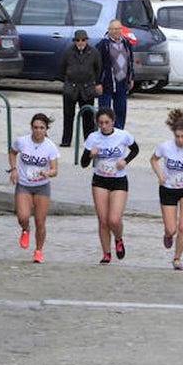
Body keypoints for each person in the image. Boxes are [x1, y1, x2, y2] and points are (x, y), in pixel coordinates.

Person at [80, 106, 139, 264]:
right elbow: (83, 163)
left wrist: (125, 161)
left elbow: (135, 150)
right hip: (100, 180)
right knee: (103, 220)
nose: (104, 126)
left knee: (114, 219)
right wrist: (91, 155)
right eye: (101, 123)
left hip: (118, 180)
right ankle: (106, 253)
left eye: (107, 122)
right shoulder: (93, 137)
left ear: (113, 122)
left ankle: (118, 239)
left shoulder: (123, 135)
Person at [150, 108, 183, 271]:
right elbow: (153, 160)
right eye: (177, 137)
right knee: (171, 229)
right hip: (168, 188)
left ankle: (177, 258)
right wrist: (160, 175)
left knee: (182, 226)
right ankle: (168, 235)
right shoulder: (165, 147)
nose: (180, 140)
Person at [9, 113, 60, 263]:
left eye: (41, 128)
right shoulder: (22, 141)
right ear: (31, 128)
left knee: (40, 221)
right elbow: (12, 152)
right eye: (35, 127)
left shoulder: (50, 147)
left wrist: (48, 173)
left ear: (46, 129)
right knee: (23, 216)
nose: (38, 131)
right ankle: (25, 229)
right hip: (24, 184)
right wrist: (13, 169)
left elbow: (55, 170)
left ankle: (38, 250)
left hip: (42, 186)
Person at [58, 29, 102, 147]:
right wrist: (67, 81)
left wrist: (95, 83)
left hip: (87, 88)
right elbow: (62, 69)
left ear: (87, 40)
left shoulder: (94, 52)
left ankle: (89, 140)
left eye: (83, 40)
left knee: (88, 116)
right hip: (71, 87)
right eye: (78, 40)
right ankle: (66, 140)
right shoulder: (68, 52)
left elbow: (98, 69)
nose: (80, 42)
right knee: (68, 115)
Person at [96, 19, 135, 129]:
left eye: (118, 29)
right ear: (109, 30)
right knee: (105, 112)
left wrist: (131, 78)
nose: (116, 31)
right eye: (113, 29)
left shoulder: (126, 43)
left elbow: (130, 62)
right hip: (107, 83)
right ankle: (105, 131)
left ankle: (119, 132)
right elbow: (97, 65)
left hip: (122, 82)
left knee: (121, 110)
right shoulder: (103, 45)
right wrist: (98, 82)